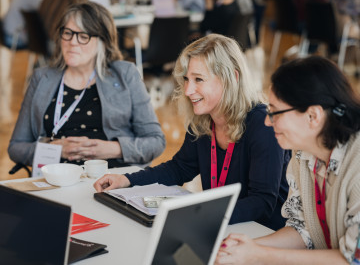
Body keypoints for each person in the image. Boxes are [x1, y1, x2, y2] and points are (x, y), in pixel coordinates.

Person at [94, 34, 290, 230]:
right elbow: (179, 168)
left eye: (198, 79)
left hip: (262, 233)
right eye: (187, 79)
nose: (188, 90)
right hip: (221, 226)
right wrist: (127, 179)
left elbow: (262, 202)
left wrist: (202, 213)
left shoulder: (264, 125)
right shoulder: (204, 119)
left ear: (232, 78)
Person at [216, 56, 360, 264]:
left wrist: (258, 255)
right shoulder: (303, 154)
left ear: (313, 116)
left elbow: (353, 260)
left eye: (275, 112)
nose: (267, 121)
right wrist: (248, 247)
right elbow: (302, 229)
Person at [8, 1, 165, 168]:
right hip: (57, 182)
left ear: (102, 42)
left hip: (115, 180)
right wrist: (55, 149)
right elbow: (16, 147)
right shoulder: (41, 78)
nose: (72, 42)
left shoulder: (125, 74)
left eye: (83, 36)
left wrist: (113, 149)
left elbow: (155, 142)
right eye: (67, 33)